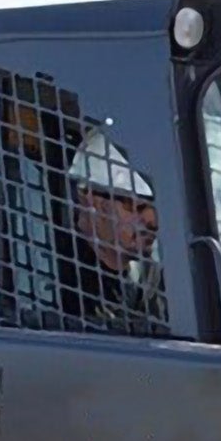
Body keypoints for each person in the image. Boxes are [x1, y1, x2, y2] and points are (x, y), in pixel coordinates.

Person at [65, 127, 167, 332]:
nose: (153, 221)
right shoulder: (62, 280)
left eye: (156, 207)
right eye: (136, 206)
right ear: (92, 199)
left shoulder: (158, 280)